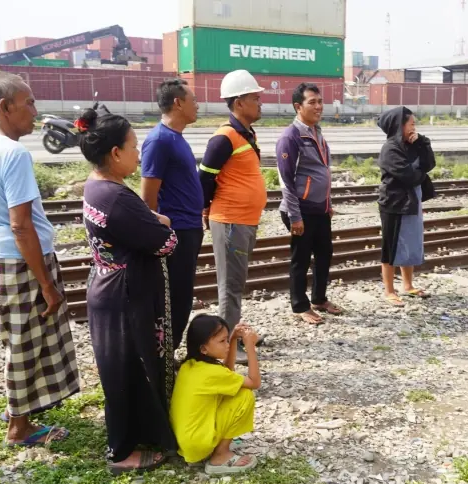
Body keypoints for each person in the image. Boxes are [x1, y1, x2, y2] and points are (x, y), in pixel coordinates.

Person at [0, 72, 79, 444]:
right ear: (5, 106)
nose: (35, 110)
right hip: (19, 261)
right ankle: (19, 426)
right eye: (28, 102)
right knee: (26, 342)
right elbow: (21, 226)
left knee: (17, 337)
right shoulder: (13, 153)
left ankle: (22, 405)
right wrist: (46, 283)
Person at [79, 109, 179, 474]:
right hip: (124, 297)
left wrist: (152, 223)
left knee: (123, 369)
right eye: (134, 146)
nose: (139, 153)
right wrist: (163, 224)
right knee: (125, 371)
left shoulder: (95, 185)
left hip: (109, 288)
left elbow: (137, 230)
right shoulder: (118, 197)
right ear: (115, 153)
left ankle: (138, 434)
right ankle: (121, 453)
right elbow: (165, 244)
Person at [199, 70, 267, 364]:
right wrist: (205, 209)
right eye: (255, 98)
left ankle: (232, 335)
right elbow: (204, 179)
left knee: (236, 283)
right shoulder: (223, 138)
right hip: (230, 222)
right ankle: (225, 347)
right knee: (230, 286)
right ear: (239, 102)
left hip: (244, 221)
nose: (260, 103)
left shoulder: (245, 134)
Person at [140, 79, 203, 349]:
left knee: (183, 295)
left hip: (189, 227)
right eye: (193, 99)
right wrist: (157, 235)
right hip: (176, 230)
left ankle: (169, 353)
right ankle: (165, 355)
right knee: (176, 297)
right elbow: (148, 195)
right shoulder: (159, 140)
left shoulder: (175, 137)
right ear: (178, 102)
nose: (197, 104)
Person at [276, 83, 343, 325]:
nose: (318, 106)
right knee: (301, 258)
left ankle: (319, 298)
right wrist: (295, 216)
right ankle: (299, 306)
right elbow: (286, 180)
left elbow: (322, 171)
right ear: (298, 106)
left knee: (324, 254)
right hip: (301, 210)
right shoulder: (290, 137)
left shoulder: (316, 132)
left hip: (319, 208)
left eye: (319, 101)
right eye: (312, 102)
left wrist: (328, 202)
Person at [170, 314, 260, 475]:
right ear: (203, 348)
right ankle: (219, 457)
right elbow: (254, 382)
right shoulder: (212, 373)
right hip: (198, 444)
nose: (226, 345)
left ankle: (217, 446)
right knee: (245, 395)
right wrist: (250, 346)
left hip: (186, 441)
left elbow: (227, 373)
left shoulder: (190, 365)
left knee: (231, 391)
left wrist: (232, 340)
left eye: (226, 340)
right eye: (222, 341)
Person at [376, 107, 437, 307]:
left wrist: (422, 142)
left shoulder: (411, 144)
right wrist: (421, 173)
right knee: (391, 246)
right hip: (394, 202)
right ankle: (389, 291)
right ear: (400, 126)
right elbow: (410, 176)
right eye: (411, 124)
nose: (414, 127)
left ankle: (407, 285)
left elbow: (429, 164)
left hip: (411, 199)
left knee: (410, 240)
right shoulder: (390, 149)